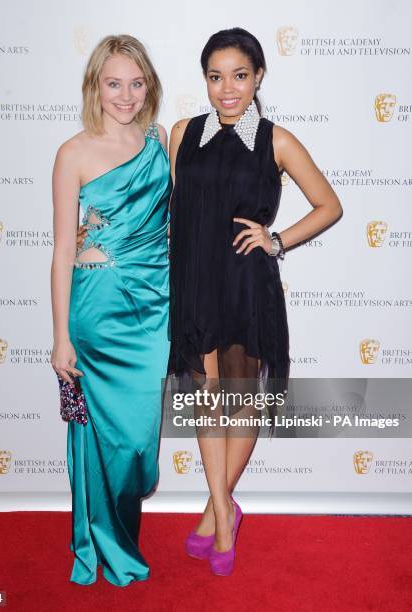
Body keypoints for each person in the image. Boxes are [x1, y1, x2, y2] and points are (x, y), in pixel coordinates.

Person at [167, 27, 342, 576]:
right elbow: (178, 213)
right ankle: (225, 513)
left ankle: (215, 518)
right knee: (206, 400)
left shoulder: (276, 140)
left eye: (239, 76)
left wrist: (277, 239)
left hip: (244, 283)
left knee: (240, 404)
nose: (227, 89)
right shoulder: (181, 133)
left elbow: (328, 206)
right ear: (205, 80)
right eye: (216, 77)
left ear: (258, 76)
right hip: (195, 281)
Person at [50, 34, 171, 587]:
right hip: (95, 309)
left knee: (138, 444)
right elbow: (62, 250)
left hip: (154, 307)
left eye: (136, 82)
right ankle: (101, 545)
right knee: (95, 434)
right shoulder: (73, 152)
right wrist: (60, 337)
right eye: (114, 83)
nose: (126, 95)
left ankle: (117, 533)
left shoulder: (159, 139)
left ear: (149, 86)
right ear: (95, 86)